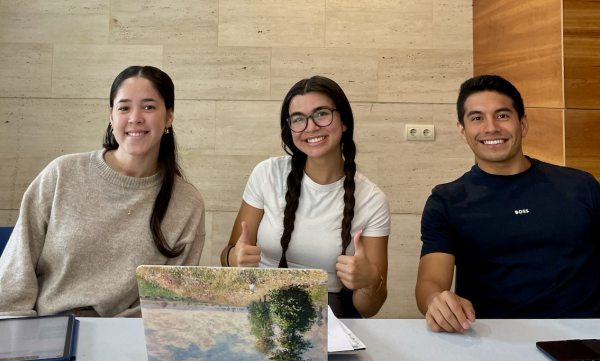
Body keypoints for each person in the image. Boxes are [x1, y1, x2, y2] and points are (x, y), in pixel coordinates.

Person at [0, 66, 205, 317]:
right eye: (124, 107)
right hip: (47, 332)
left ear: (169, 116)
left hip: (129, 341)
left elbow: (171, 302)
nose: (135, 118)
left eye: (149, 107)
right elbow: (14, 273)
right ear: (111, 115)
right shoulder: (62, 174)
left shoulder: (186, 202)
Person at [416, 74, 600, 333]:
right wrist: (436, 301)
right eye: (477, 118)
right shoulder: (446, 200)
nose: (491, 127)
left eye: (502, 115)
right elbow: (431, 281)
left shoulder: (580, 185)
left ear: (522, 124)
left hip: (584, 337)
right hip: (494, 338)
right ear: (462, 130)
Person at [221, 76, 390, 318]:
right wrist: (233, 258)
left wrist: (370, 281)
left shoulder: (372, 200)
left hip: (329, 315)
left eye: (321, 114)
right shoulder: (267, 173)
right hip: (258, 306)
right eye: (298, 119)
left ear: (344, 122)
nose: (310, 128)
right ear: (289, 129)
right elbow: (228, 255)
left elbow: (370, 309)